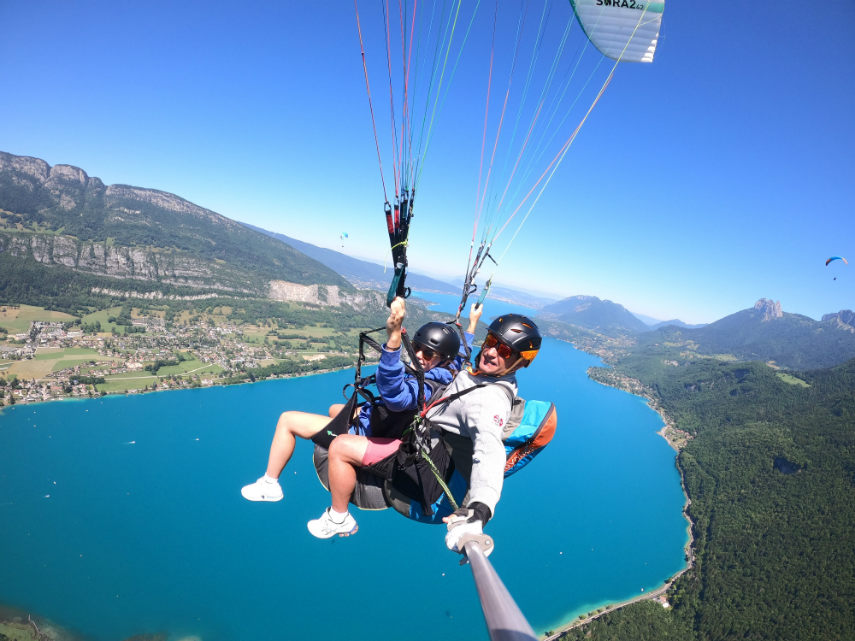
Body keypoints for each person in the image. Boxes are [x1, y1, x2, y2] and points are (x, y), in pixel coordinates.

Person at [306, 312, 541, 547]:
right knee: (338, 410)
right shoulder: (479, 374)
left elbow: (489, 451)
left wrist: (480, 510)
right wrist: (469, 326)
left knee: (340, 446)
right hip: (422, 439)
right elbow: (459, 359)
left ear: (521, 362)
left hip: (423, 460)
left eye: (505, 351)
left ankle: (338, 518)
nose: (491, 352)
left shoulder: (490, 400)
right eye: (491, 342)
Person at [240, 296, 473, 507]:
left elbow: (394, 396)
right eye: (416, 348)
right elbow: (462, 354)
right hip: (388, 424)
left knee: (287, 420)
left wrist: (393, 342)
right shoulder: (448, 372)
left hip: (375, 431)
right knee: (334, 408)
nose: (419, 356)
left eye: (428, 354)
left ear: (442, 360)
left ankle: (270, 484)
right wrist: (471, 324)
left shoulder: (421, 386)